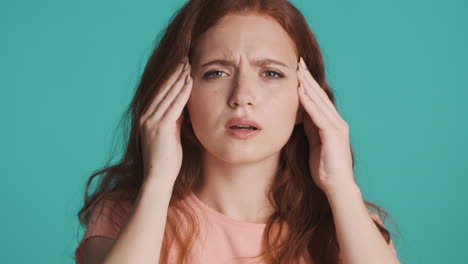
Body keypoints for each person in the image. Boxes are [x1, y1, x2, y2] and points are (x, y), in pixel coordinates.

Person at [74, 0, 400, 263]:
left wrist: (340, 185)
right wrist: (158, 180)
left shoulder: (349, 226)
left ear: (305, 101)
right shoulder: (123, 215)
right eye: (216, 72)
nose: (242, 96)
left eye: (271, 73)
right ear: (179, 96)